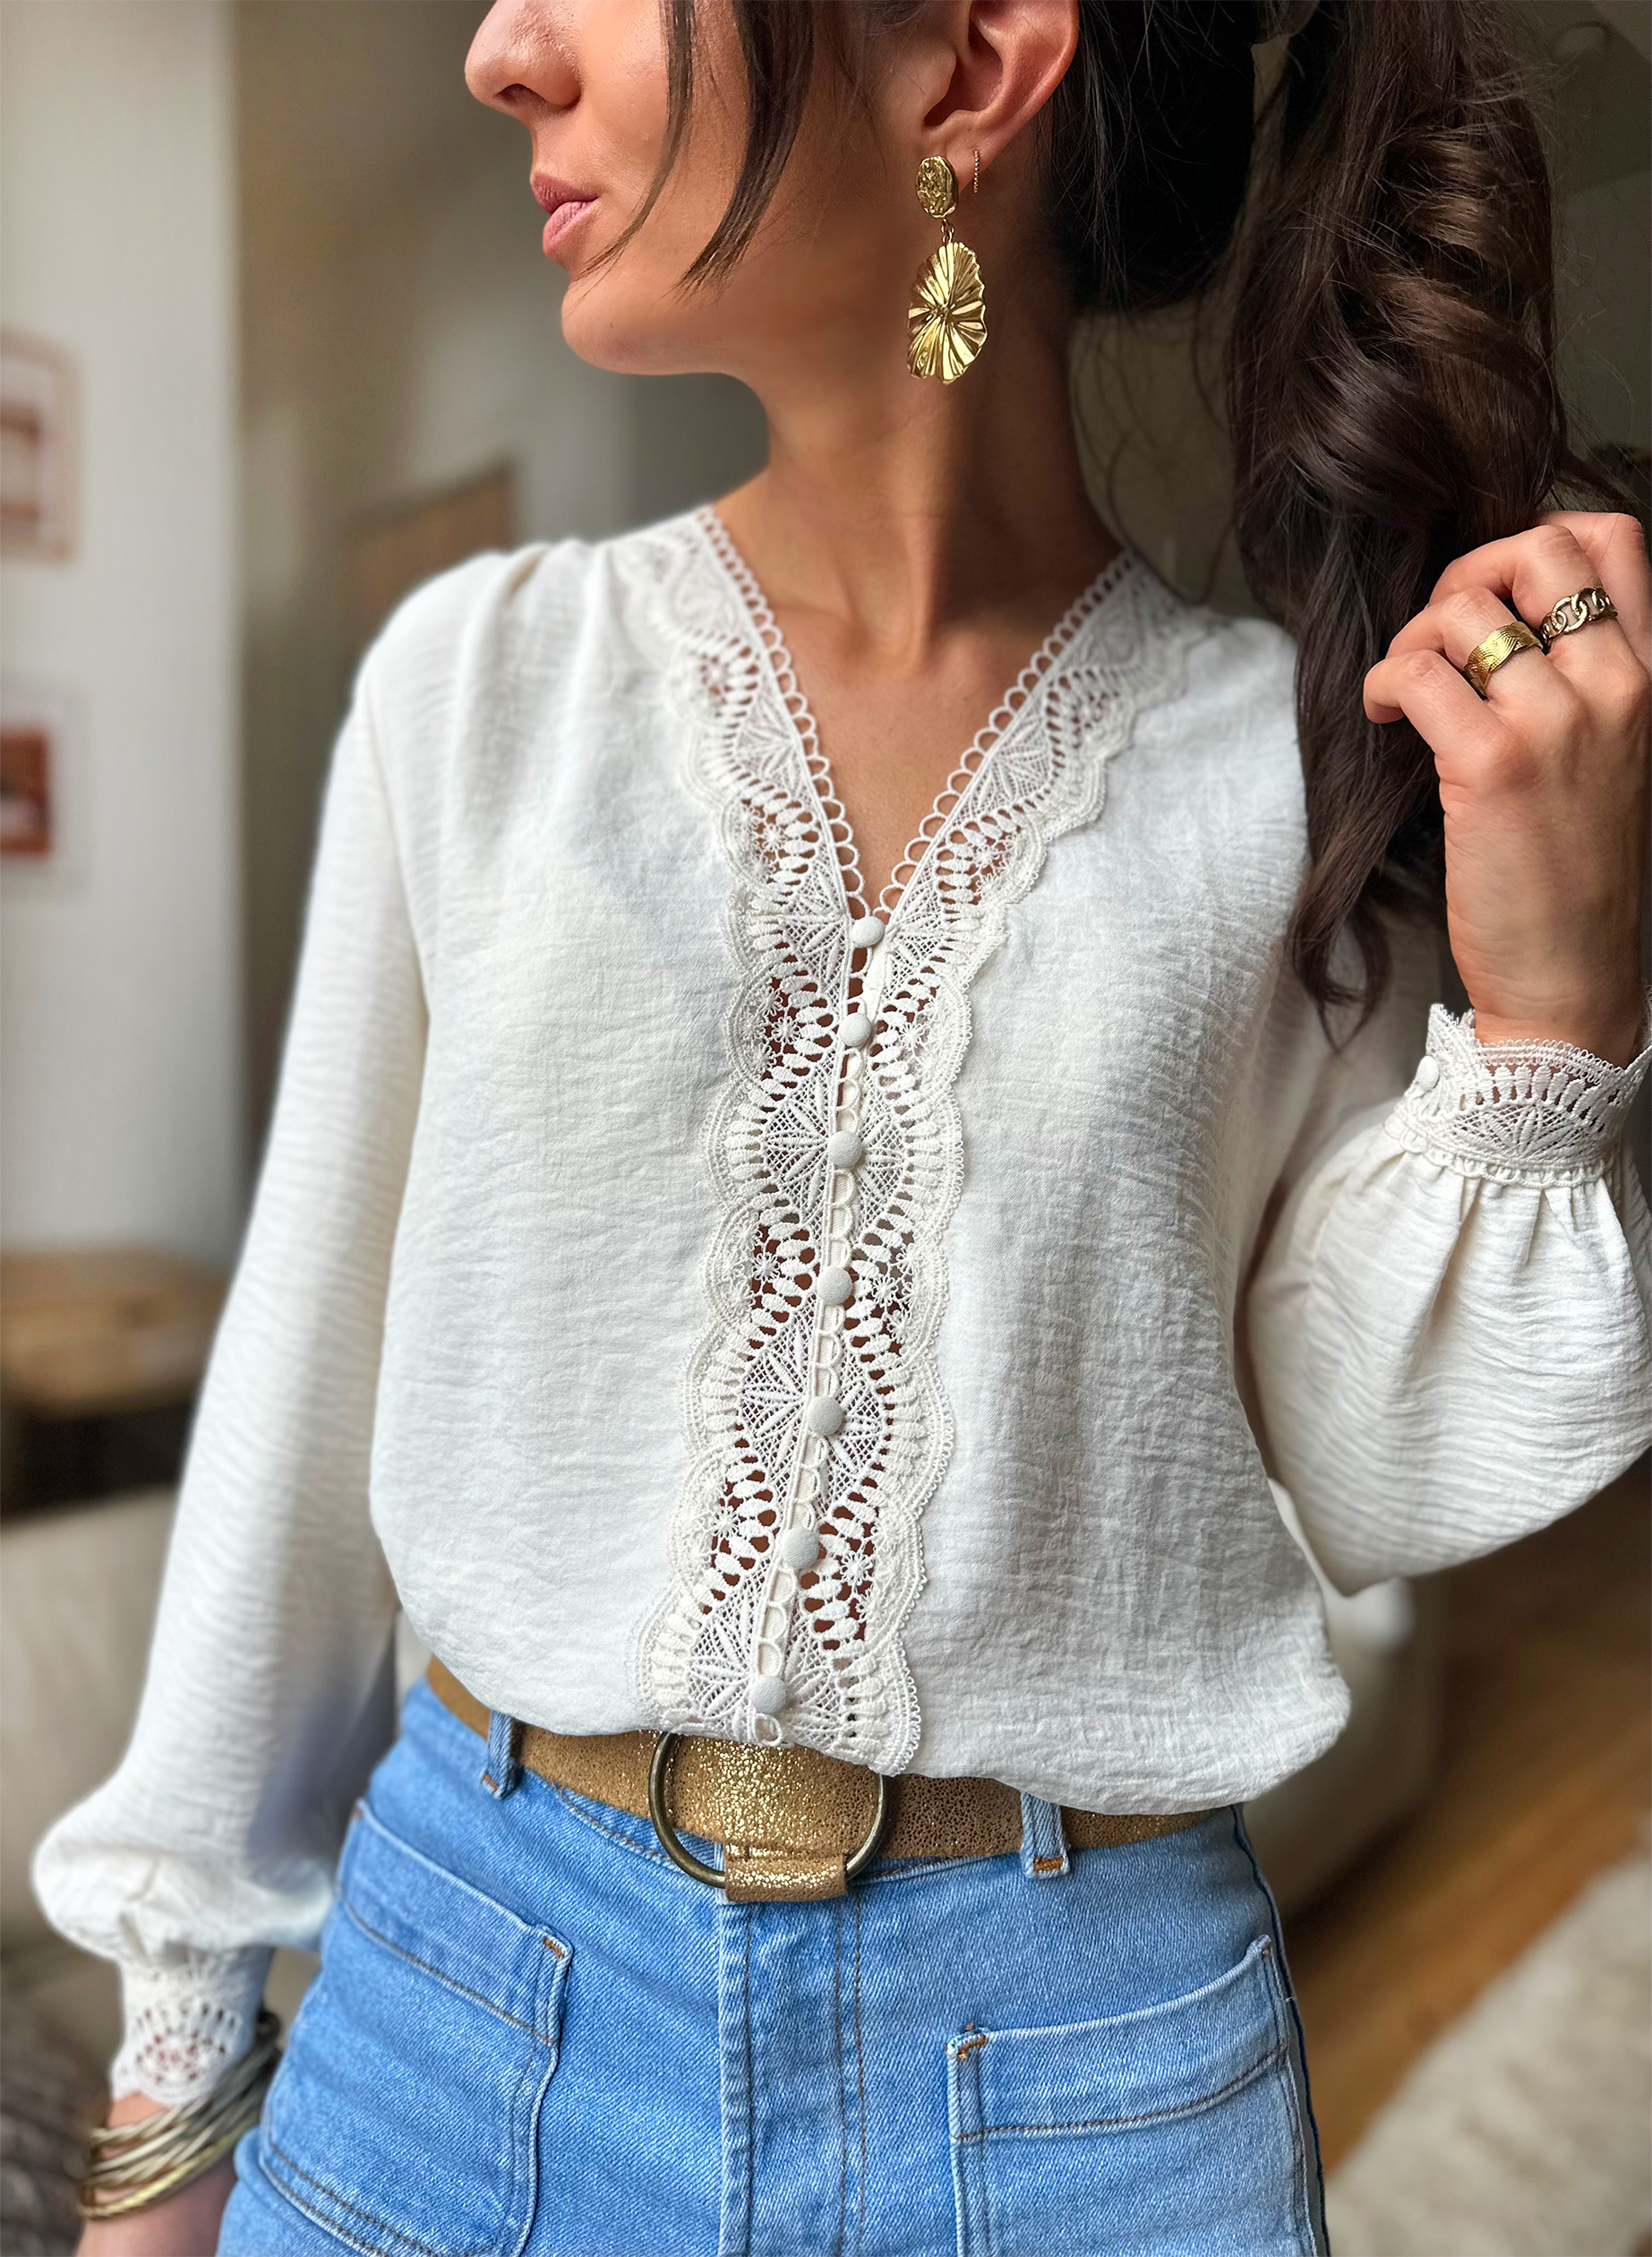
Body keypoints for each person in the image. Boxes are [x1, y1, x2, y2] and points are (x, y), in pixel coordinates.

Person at [39, 2, 1650, 2252]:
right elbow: (296, 1417)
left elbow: (1373, 1472)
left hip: (1085, 2101)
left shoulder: (1280, 777)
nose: (500, 51)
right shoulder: (481, 685)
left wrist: (1553, 1012)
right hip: (454, 2032)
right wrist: (173, 2083)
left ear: (971, 62)